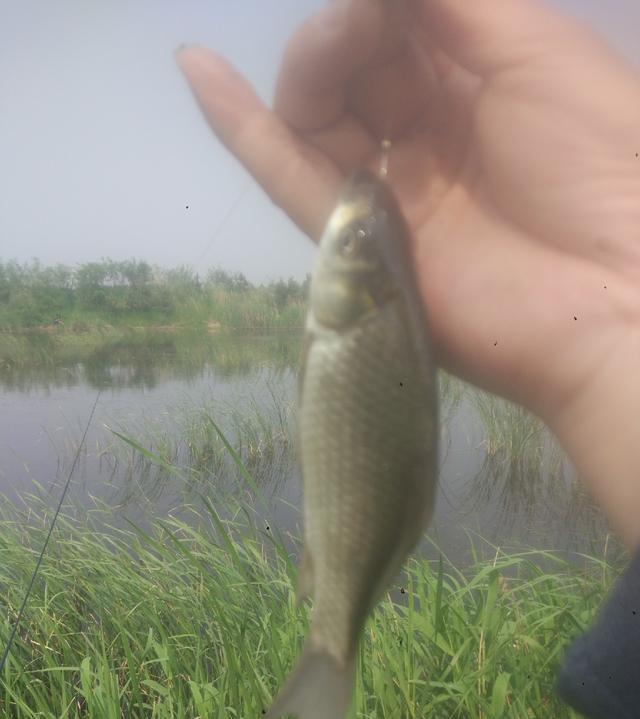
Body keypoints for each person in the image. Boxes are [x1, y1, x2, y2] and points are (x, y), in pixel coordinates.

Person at [176, 1, 640, 716]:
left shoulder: (353, 325)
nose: (345, 236)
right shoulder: (358, 321)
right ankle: (331, 645)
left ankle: (329, 653)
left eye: (354, 246)